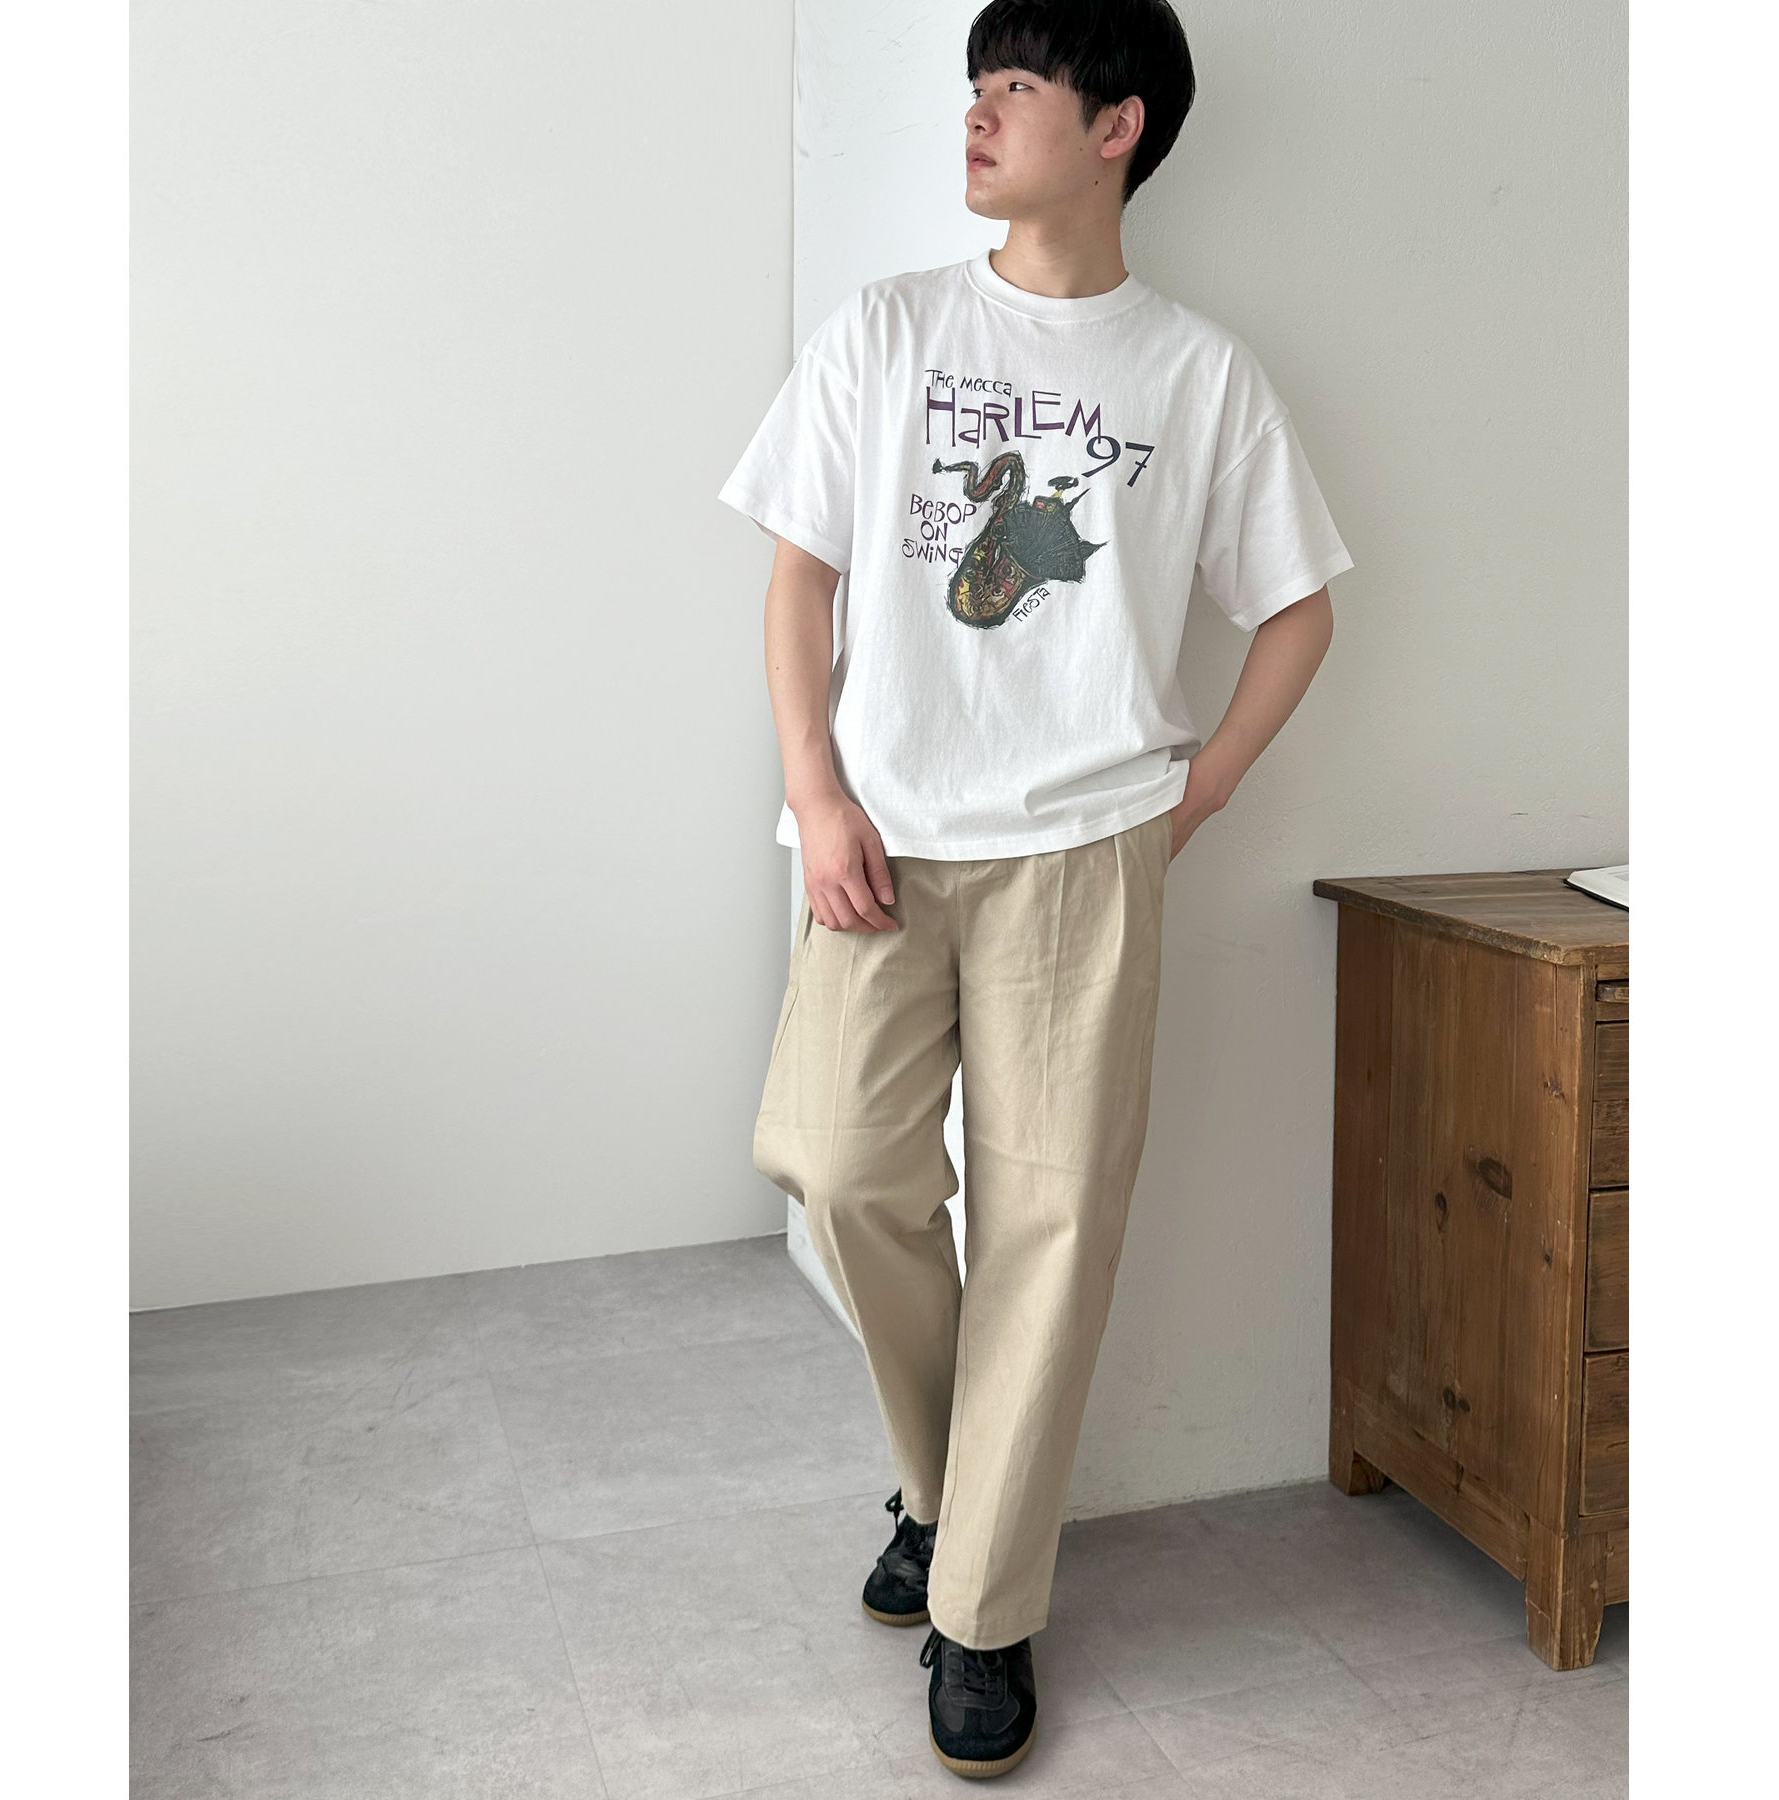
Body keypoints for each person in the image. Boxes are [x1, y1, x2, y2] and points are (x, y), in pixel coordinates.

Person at [718, 0, 1351, 1777]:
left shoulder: (1199, 376)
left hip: (1087, 845)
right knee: (836, 1165)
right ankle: (943, 1491)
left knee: (1052, 1232)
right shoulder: (891, 328)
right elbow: (799, 579)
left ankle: (983, 1610)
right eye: (974, 87)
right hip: (887, 835)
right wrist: (814, 790)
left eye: (1016, 87)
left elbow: (1300, 610)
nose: (978, 115)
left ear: (1117, 126)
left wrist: (1193, 796)